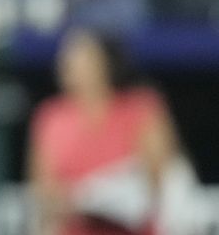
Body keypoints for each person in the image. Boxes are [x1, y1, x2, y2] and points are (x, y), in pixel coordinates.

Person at [28, 28, 201, 235]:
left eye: (79, 56)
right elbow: (44, 191)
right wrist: (77, 202)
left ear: (104, 62)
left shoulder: (142, 108)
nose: (66, 63)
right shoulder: (51, 117)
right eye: (65, 57)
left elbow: (163, 179)